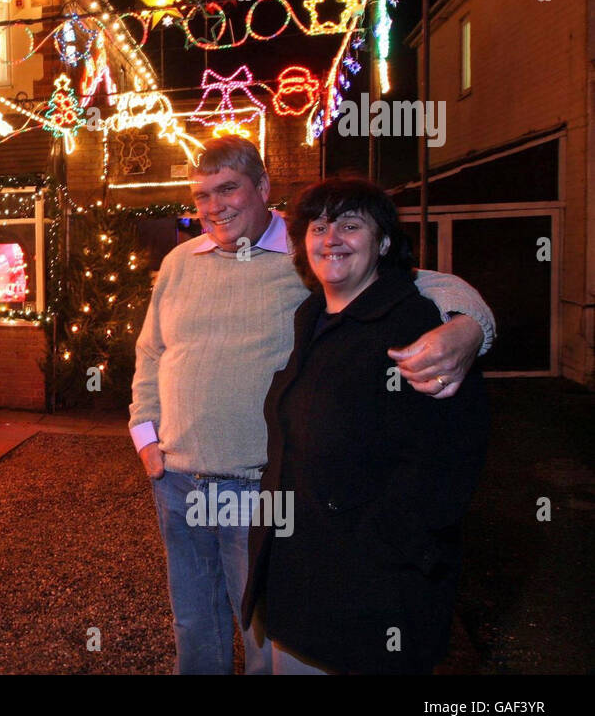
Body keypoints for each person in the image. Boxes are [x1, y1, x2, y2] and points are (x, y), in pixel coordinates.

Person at [128, 138, 494, 675]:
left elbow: (422, 283)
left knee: (263, 630)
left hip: (253, 485)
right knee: (192, 621)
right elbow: (151, 349)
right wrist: (145, 435)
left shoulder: (306, 254)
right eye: (202, 194)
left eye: (228, 188)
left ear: (263, 189)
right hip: (177, 480)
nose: (214, 206)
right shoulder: (181, 260)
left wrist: (470, 327)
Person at [240, 177, 489, 674]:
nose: (331, 238)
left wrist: (381, 551)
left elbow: (447, 463)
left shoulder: (416, 326)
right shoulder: (311, 316)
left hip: (371, 598)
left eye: (351, 225)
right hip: (299, 579)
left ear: (385, 243)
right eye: (319, 226)